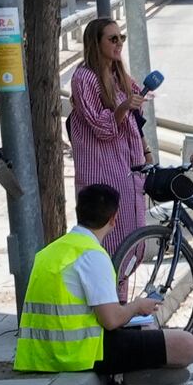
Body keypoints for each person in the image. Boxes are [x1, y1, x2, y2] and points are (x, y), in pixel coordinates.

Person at [15, 183, 193, 385]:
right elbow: (110, 321)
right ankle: (124, 374)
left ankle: (130, 372)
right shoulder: (92, 255)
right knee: (186, 344)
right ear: (113, 218)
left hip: (40, 356)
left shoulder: (48, 252)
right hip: (81, 354)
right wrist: (138, 306)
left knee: (145, 329)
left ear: (79, 212)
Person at [67, 17, 151, 246]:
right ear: (96, 43)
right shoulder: (84, 78)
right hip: (102, 172)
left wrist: (146, 150)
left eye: (121, 37)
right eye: (112, 39)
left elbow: (135, 120)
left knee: (131, 234)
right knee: (108, 240)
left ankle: (121, 280)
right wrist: (123, 107)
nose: (119, 43)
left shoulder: (119, 76)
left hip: (128, 170)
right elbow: (101, 126)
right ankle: (111, 281)